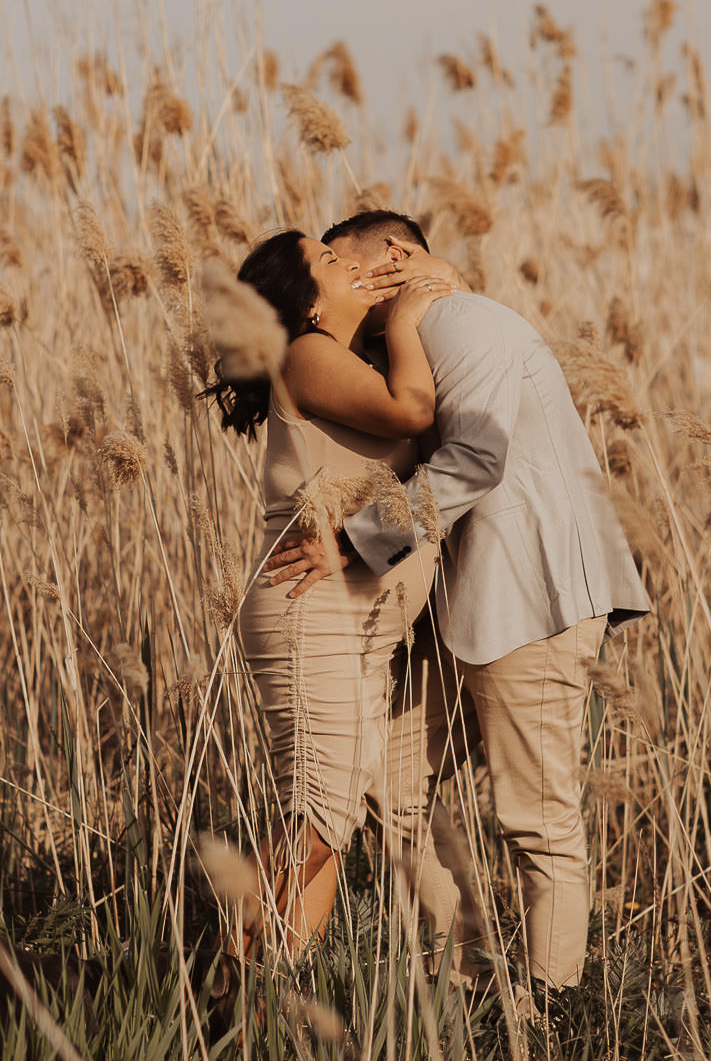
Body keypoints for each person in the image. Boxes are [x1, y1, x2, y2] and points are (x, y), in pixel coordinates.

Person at [266, 210, 651, 994]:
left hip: (530, 593)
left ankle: (549, 1011)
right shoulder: (407, 338)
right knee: (391, 791)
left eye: (349, 263)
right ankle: (467, 981)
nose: (350, 281)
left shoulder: (468, 322)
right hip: (464, 606)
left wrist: (353, 545)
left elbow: (475, 458)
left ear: (398, 257)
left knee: (537, 817)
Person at [203, 228, 462, 964]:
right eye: (328, 261)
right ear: (306, 303)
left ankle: (267, 991)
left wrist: (426, 282)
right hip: (308, 607)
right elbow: (414, 409)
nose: (351, 262)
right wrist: (411, 314)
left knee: (330, 820)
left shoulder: (346, 359)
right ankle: (213, 987)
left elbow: (428, 486)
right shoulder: (308, 356)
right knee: (319, 814)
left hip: (354, 620)